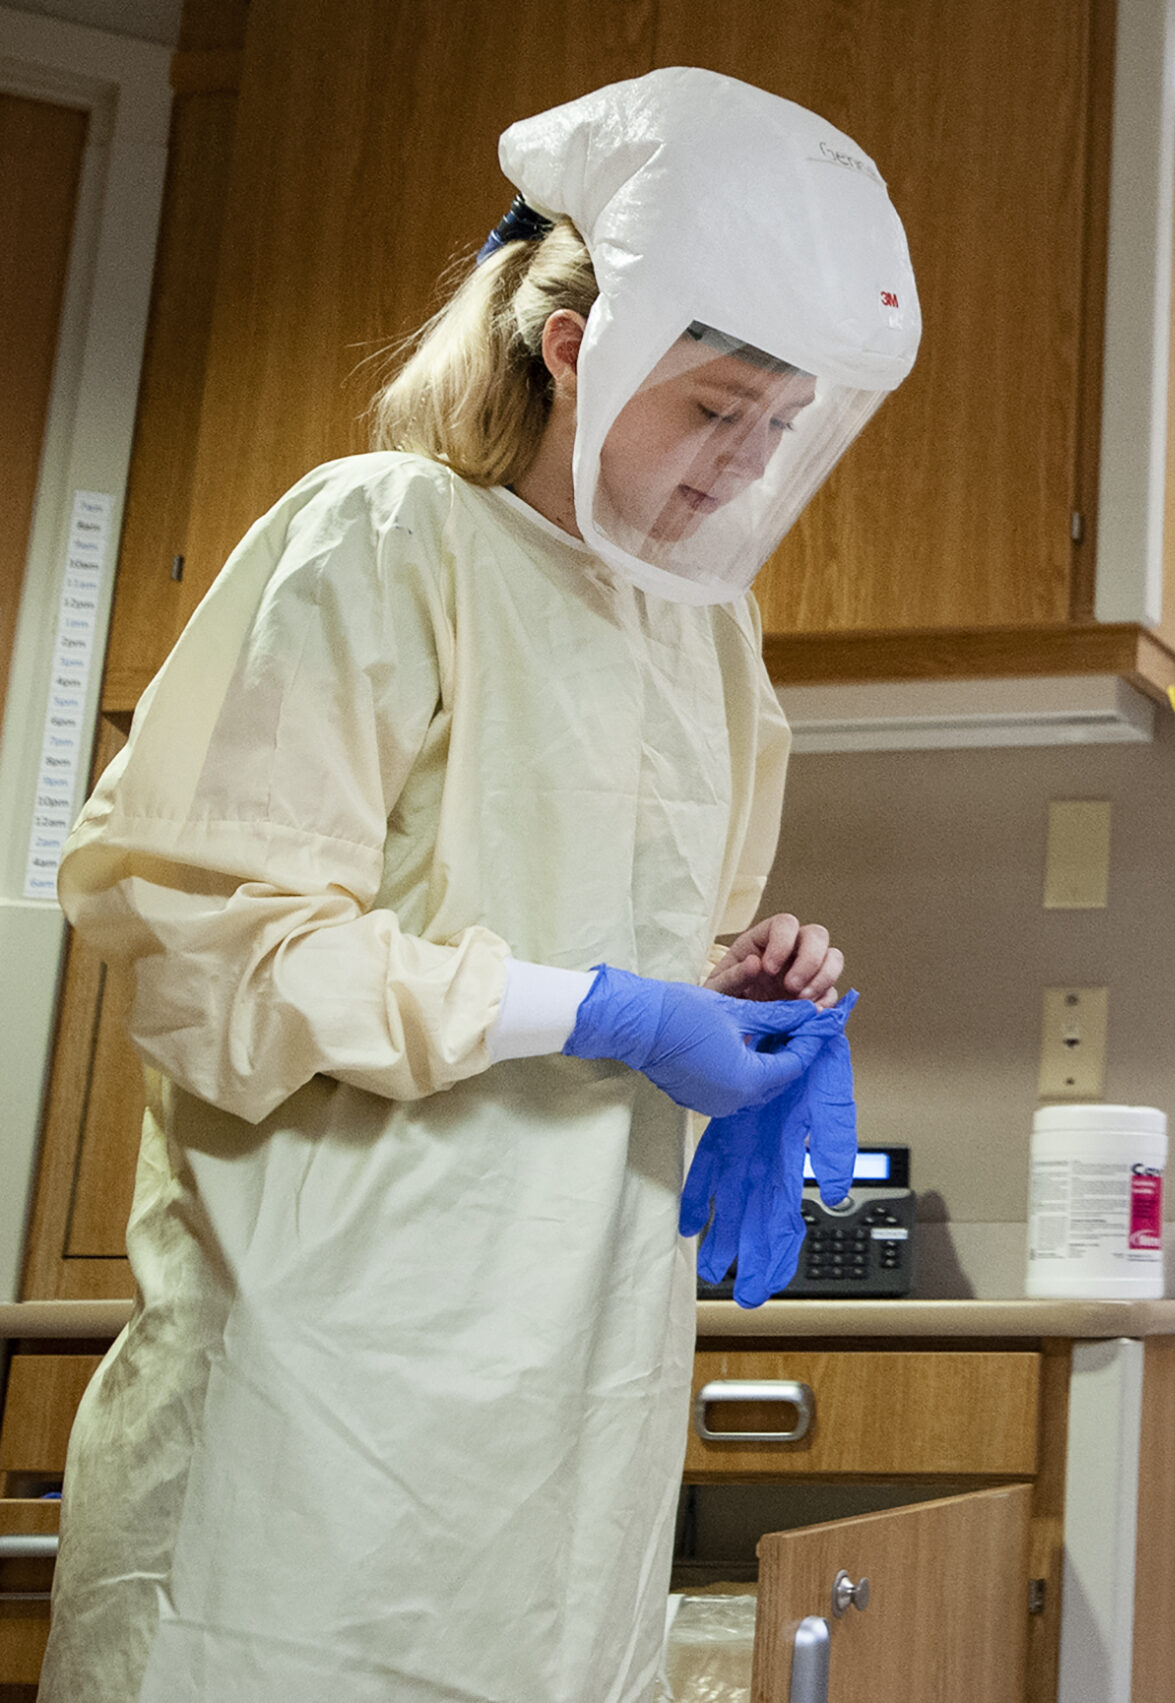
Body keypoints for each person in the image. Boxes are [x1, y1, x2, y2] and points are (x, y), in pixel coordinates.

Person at [37, 69, 919, 1702]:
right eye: (712, 405)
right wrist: (610, 1005)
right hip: (329, 1399)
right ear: (574, 342)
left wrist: (728, 983)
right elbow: (215, 954)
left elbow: (621, 937)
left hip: (575, 1397)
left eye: (778, 429)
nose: (740, 466)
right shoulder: (382, 539)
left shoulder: (702, 637)